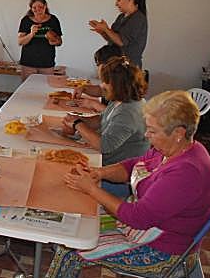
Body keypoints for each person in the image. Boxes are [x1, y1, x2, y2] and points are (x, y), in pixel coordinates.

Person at [15, 90, 210, 278]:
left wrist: (92, 189)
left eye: (152, 131)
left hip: (165, 253)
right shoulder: (170, 149)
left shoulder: (187, 172)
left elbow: (138, 217)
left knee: (75, 243)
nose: (146, 135)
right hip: (145, 228)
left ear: (178, 132)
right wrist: (99, 173)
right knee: (72, 222)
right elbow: (133, 166)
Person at [62, 57, 149, 197]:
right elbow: (102, 120)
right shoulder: (121, 100)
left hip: (118, 175)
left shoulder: (128, 112)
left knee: (65, 180)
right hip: (107, 163)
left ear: (116, 85)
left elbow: (104, 145)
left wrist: (78, 124)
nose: (102, 85)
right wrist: (78, 121)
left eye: (105, 82)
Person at [89, 0, 148, 68]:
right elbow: (112, 39)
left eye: (118, 0)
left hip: (129, 66)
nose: (116, 4)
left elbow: (121, 42)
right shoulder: (121, 17)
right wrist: (102, 32)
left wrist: (106, 29)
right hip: (115, 63)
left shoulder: (138, 18)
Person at [18, 0, 63, 82]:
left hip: (47, 64)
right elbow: (20, 41)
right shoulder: (26, 20)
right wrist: (31, 34)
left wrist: (52, 39)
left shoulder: (53, 20)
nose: (37, 10)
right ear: (31, 8)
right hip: (28, 64)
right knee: (28, 88)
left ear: (45, 6)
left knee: (46, 88)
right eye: (34, 8)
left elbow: (59, 42)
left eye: (40, 7)